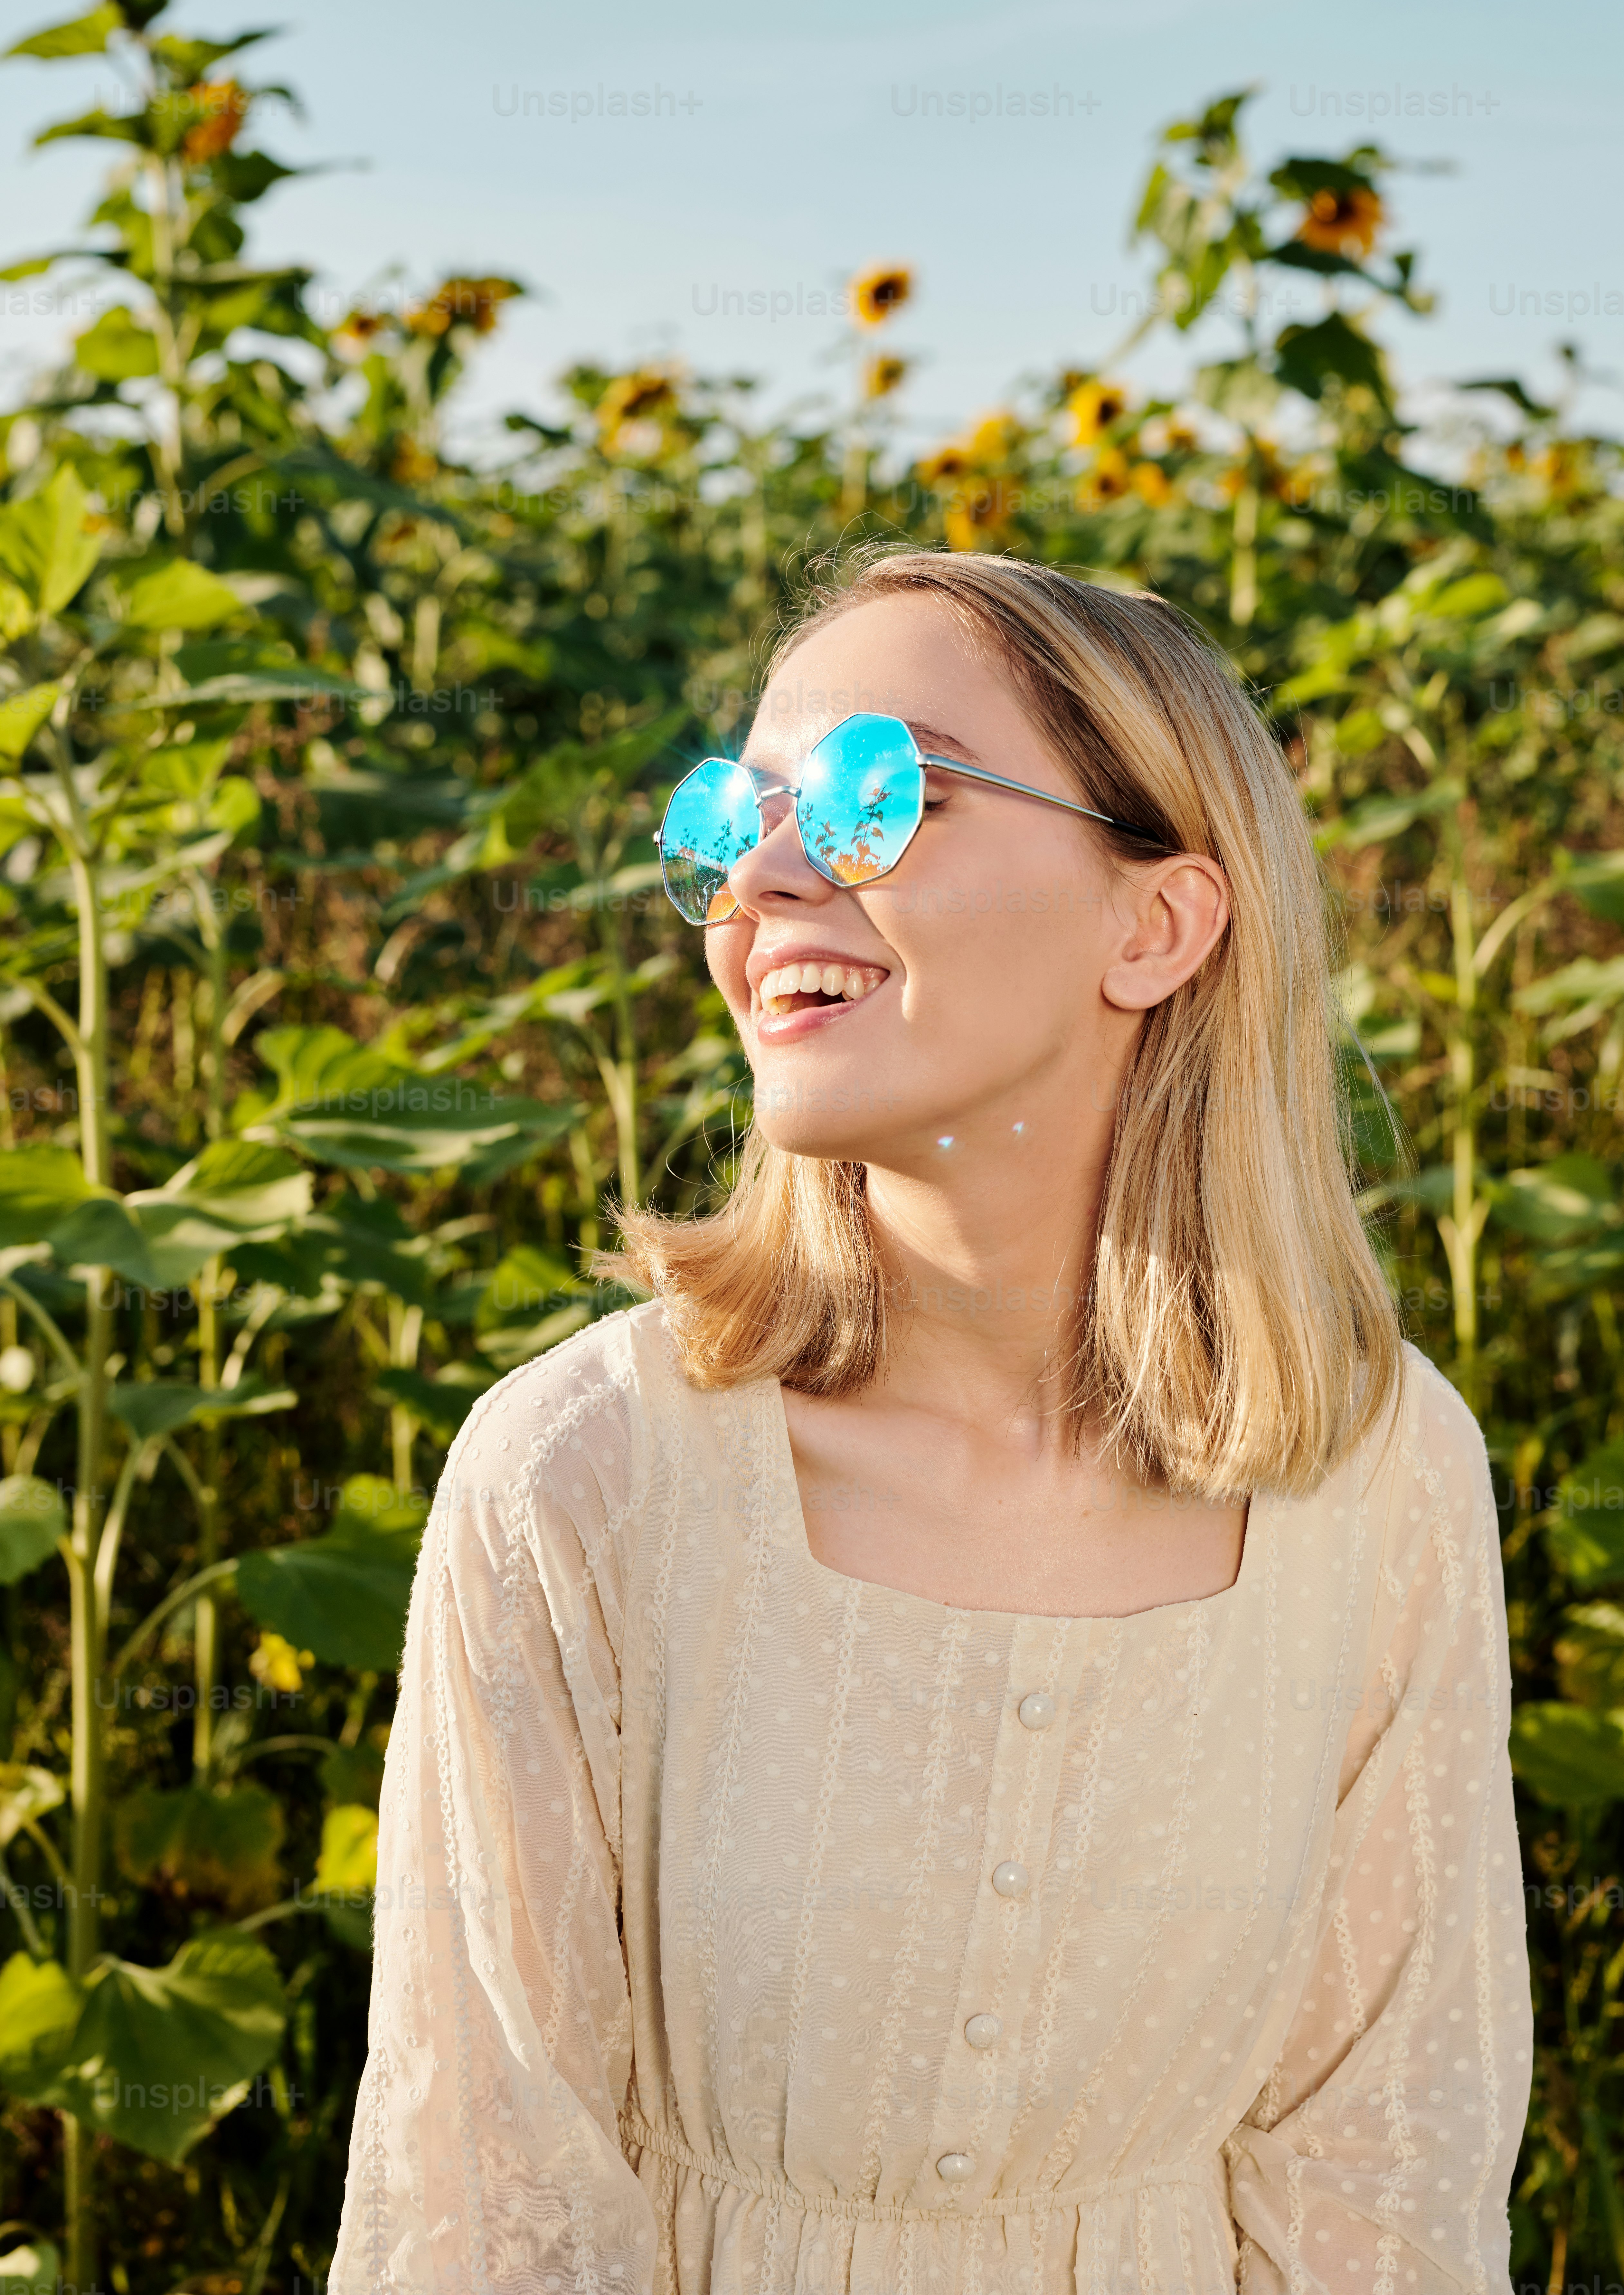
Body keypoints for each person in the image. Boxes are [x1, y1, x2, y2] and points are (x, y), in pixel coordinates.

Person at [332, 548, 1530, 2295]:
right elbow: (485, 2214)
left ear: (1160, 924)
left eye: (880, 797)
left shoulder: (1379, 1471)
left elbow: (1387, 2183)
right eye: (730, 818)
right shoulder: (578, 1480)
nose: (766, 877)